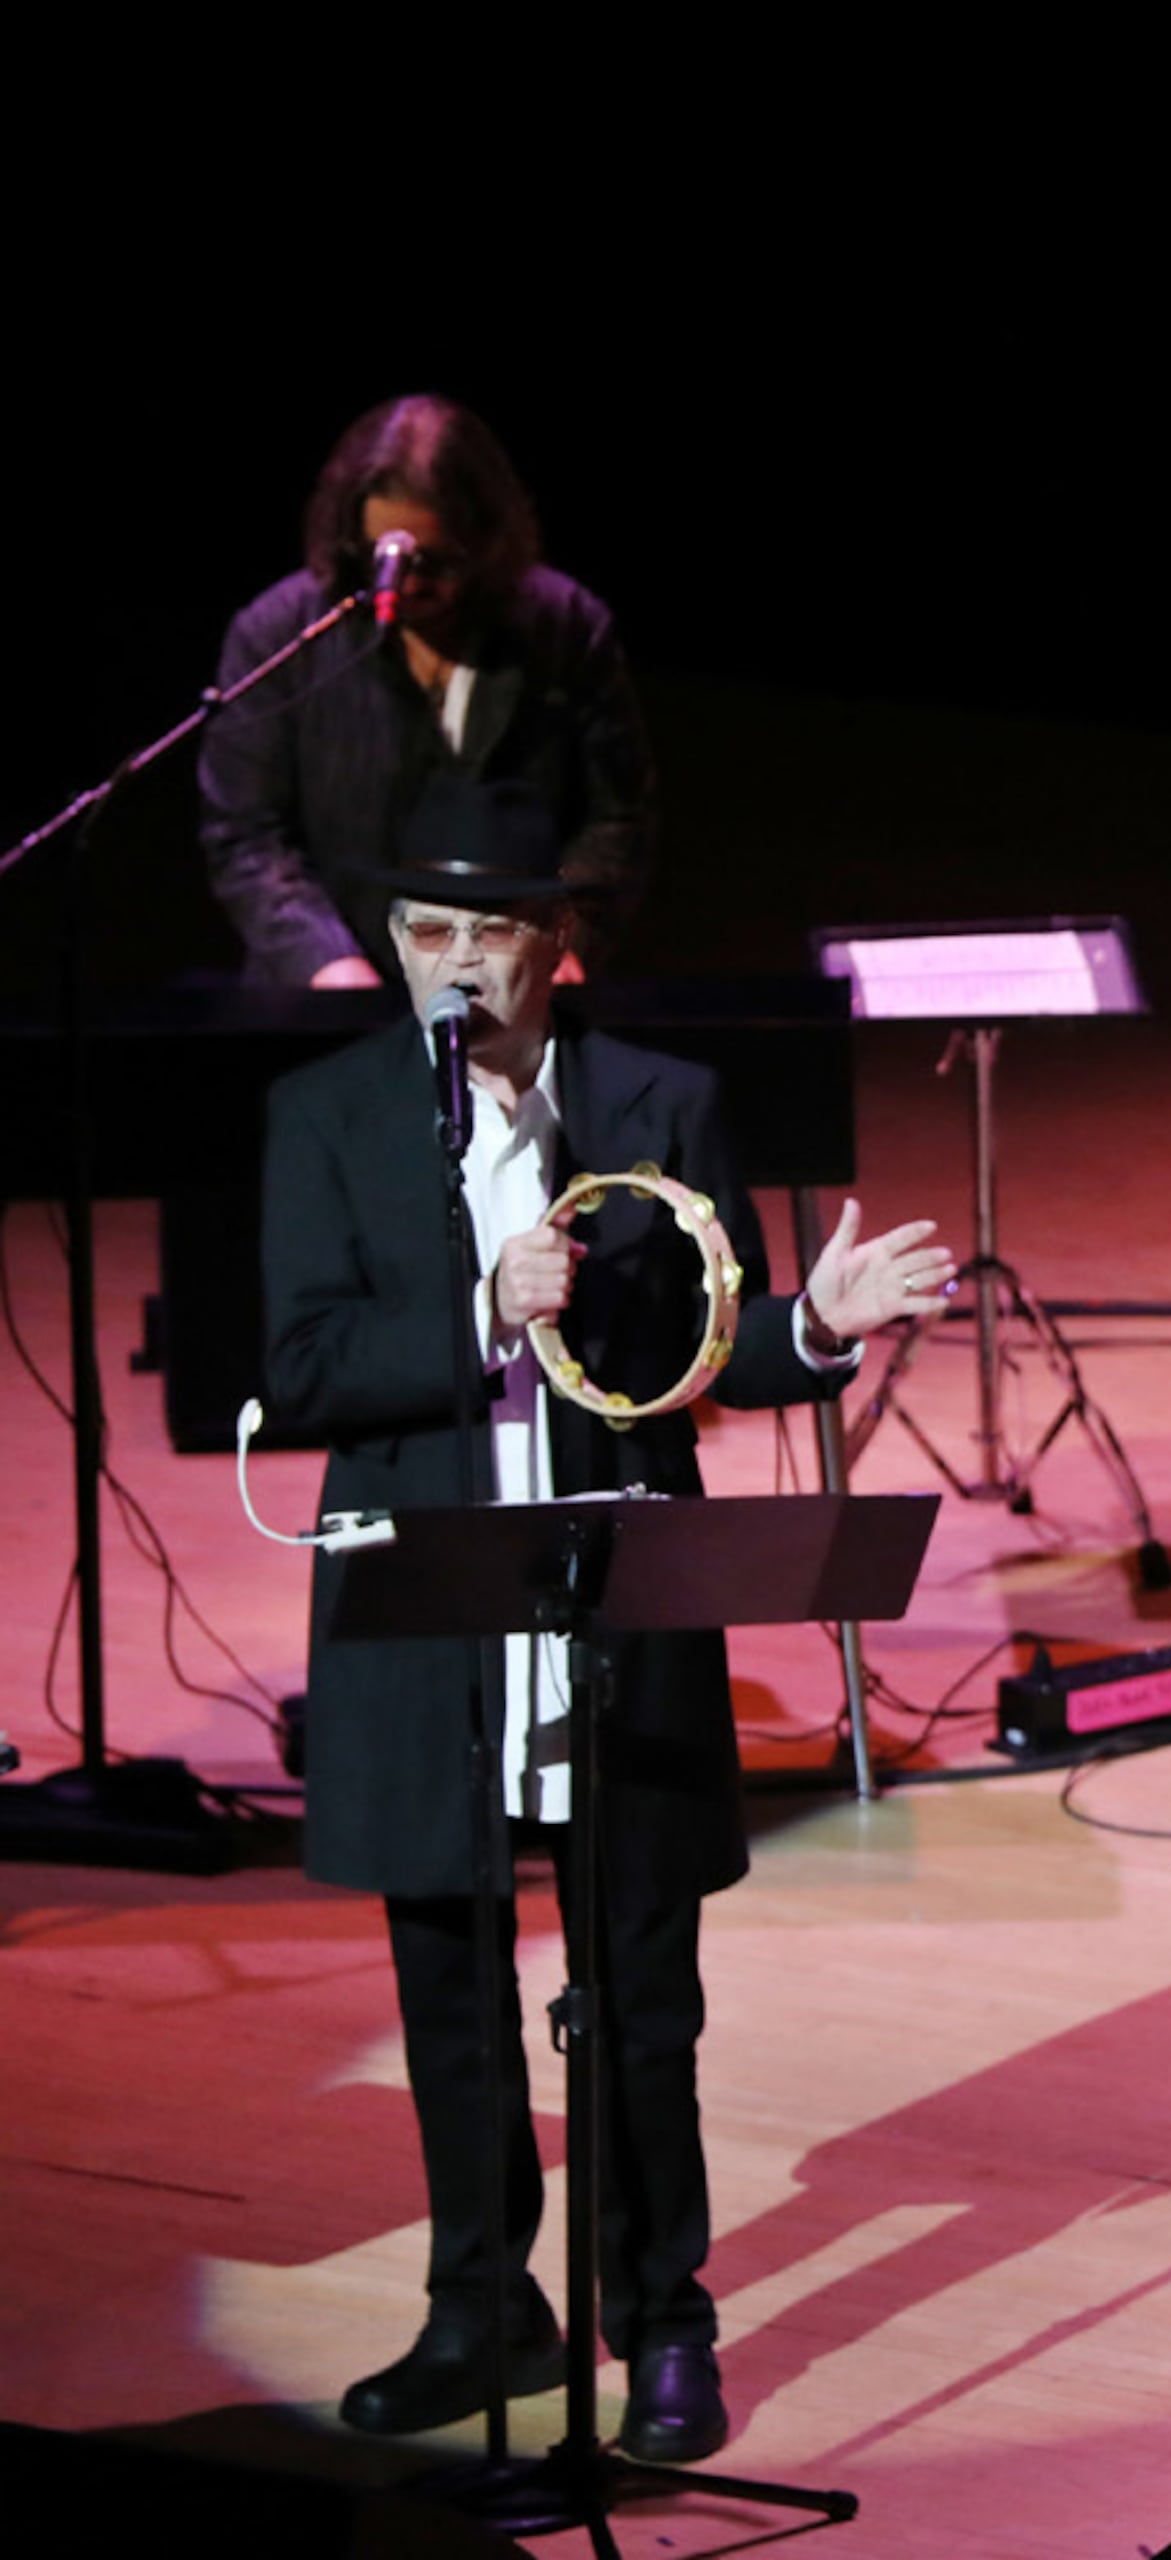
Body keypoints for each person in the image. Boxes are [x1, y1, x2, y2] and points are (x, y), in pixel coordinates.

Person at [261, 778, 953, 2456]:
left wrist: (816, 1328)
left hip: (612, 1606)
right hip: (428, 1616)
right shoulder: (330, 1115)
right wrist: (474, 1306)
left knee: (641, 1993)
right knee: (451, 1992)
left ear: (558, 943)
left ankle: (663, 2320)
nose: (456, 962)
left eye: (490, 930)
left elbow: (703, 1350)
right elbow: (301, 1368)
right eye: (427, 930)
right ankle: (480, 2309)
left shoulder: (660, 1105)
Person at [203, 395, 653, 990]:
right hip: (331, 1001)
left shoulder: (563, 629)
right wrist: (325, 962)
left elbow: (617, 817)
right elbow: (247, 836)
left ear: (487, 538)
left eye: (436, 562)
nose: (410, 585)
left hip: (513, 1000)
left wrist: (570, 936)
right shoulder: (281, 636)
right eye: (387, 561)